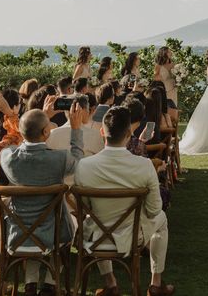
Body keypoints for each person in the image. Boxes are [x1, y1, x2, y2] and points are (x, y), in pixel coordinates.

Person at [74, 106, 174, 296]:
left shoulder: (84, 166)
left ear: (102, 132)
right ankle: (156, 283)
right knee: (161, 219)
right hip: (133, 236)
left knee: (96, 220)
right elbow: (154, 210)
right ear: (129, 133)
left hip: (97, 237)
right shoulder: (144, 165)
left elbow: (86, 206)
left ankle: (111, 284)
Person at [0, 103, 84, 295]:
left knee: (30, 229)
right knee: (73, 224)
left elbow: (18, 144)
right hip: (52, 234)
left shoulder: (8, 158)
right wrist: (76, 130)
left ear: (22, 133)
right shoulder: (59, 159)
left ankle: (31, 284)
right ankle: (49, 283)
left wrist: (31, 127)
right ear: (46, 132)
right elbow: (78, 161)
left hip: (17, 233)